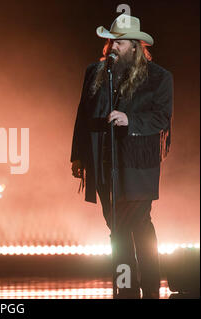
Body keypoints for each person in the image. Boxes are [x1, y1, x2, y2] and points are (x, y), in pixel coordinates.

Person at [70, 14, 173, 299]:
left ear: (136, 46)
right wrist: (78, 156)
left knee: (137, 226)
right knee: (116, 227)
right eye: (111, 40)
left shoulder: (159, 78)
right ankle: (126, 289)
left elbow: (162, 118)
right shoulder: (95, 72)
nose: (114, 46)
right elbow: (82, 114)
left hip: (138, 166)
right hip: (104, 164)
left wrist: (131, 120)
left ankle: (150, 288)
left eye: (121, 41)